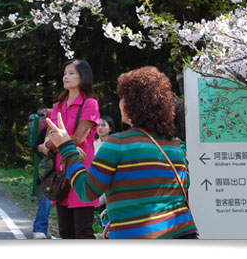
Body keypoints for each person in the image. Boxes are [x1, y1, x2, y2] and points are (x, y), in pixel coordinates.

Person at [46, 66, 199, 239]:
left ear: (131, 104)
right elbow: (175, 191)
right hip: (183, 233)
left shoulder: (117, 145)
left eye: (122, 98)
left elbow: (86, 191)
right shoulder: (177, 146)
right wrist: (121, 216)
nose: (120, 103)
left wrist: (66, 147)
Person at [44, 59, 100, 239]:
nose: (65, 77)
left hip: (82, 171)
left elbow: (79, 138)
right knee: (65, 232)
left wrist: (54, 142)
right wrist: (56, 142)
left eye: (71, 73)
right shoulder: (58, 106)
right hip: (61, 171)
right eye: (64, 73)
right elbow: (49, 138)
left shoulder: (90, 103)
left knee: (83, 231)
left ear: (83, 76)